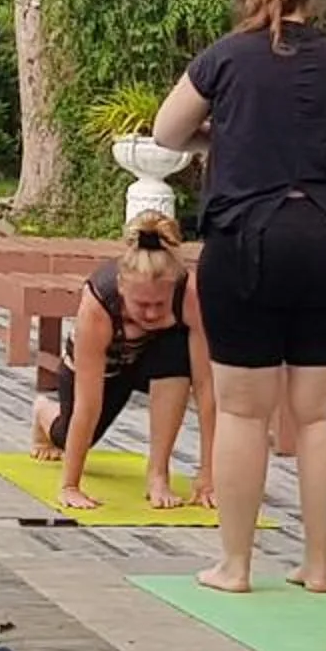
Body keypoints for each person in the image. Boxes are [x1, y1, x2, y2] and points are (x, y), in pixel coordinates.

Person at [153, 0, 326, 594]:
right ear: (312, 2)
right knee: (322, 413)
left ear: (246, 2)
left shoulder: (223, 58)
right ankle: (318, 567)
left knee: (244, 411)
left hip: (248, 241)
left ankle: (236, 564)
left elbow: (166, 132)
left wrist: (221, 136)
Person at [31, 217, 209, 510]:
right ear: (122, 289)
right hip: (107, 369)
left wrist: (208, 475)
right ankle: (43, 413)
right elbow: (89, 405)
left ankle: (158, 474)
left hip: (153, 359)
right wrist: (70, 486)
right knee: (72, 436)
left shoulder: (189, 294)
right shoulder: (99, 302)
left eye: (159, 305)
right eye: (142, 305)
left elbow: (207, 388)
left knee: (177, 351)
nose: (151, 315)